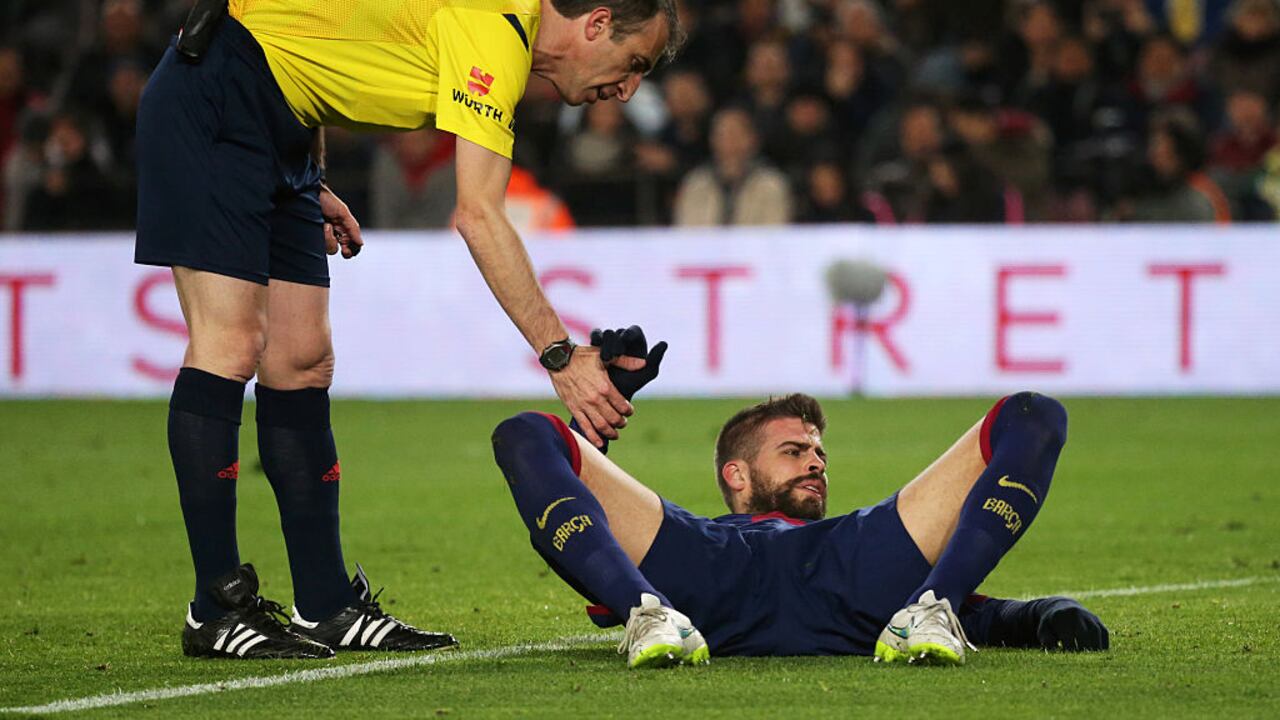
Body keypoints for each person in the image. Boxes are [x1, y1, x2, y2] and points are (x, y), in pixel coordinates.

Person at [133, 0, 682, 659]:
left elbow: (318, 39)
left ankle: (327, 602)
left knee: (303, 359)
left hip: (285, 130)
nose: (628, 89)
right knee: (231, 344)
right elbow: (479, 216)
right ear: (595, 24)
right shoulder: (496, 31)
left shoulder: (501, 29)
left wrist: (313, 175)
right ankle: (214, 608)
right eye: (634, 64)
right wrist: (560, 355)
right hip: (215, 102)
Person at [491, 328, 1109, 668]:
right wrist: (596, 423)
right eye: (793, 450)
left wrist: (1039, 613)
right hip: (703, 572)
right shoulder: (689, 546)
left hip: (847, 560)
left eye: (819, 453)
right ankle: (647, 617)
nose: (815, 460)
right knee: (523, 433)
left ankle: (932, 610)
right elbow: (563, 522)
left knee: (1033, 413)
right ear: (736, 474)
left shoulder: (863, 550)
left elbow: (989, 614)